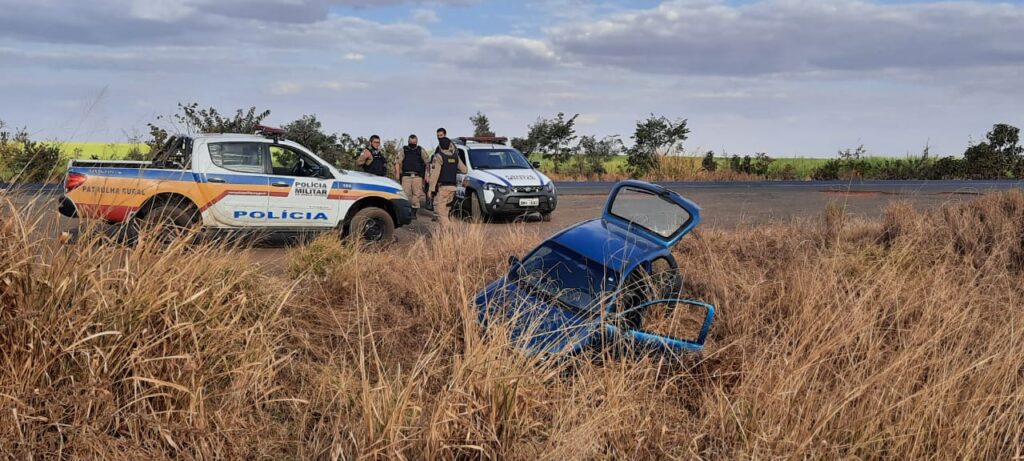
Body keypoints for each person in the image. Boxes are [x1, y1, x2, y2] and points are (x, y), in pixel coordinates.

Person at [427, 136, 467, 224]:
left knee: (440, 213)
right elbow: (464, 170)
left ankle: (449, 231)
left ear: (440, 147)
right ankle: (444, 235)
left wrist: (431, 189)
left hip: (443, 188)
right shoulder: (455, 157)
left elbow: (435, 174)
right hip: (453, 188)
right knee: (446, 212)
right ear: (450, 146)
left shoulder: (439, 157)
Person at [394, 134, 428, 215]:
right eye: (411, 142)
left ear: (417, 142)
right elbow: (397, 162)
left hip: (417, 176)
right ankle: (405, 211)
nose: (413, 144)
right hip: (406, 176)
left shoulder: (421, 150)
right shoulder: (404, 150)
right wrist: (397, 174)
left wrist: (427, 175)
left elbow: (427, 163)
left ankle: (414, 212)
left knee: (417, 194)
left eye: (414, 142)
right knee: (405, 194)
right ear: (408, 141)